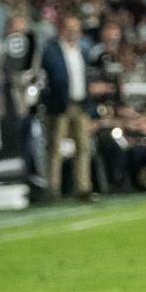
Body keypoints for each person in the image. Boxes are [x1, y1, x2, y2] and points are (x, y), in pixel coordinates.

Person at [41, 14, 96, 201]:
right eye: (70, 28)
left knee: (83, 147)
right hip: (60, 106)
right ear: (62, 29)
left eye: (76, 28)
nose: (74, 32)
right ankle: (53, 189)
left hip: (80, 104)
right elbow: (49, 80)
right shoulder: (52, 51)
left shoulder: (82, 51)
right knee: (55, 148)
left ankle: (83, 187)